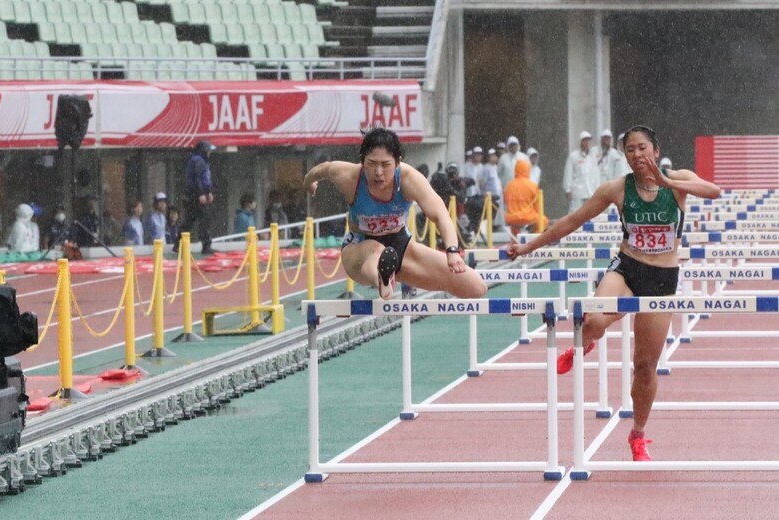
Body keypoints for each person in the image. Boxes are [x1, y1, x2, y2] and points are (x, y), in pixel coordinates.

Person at [506, 125, 721, 462]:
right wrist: (528, 246)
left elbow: (714, 191)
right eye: (630, 150)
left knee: (645, 366)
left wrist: (669, 183)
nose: (637, 155)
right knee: (590, 320)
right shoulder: (617, 189)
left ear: (655, 149)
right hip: (628, 268)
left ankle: (638, 434)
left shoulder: (677, 179)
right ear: (625, 156)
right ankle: (587, 341)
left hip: (662, 278)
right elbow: (573, 220)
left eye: (642, 147)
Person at [303, 127, 487, 300]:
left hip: (401, 246)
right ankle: (382, 280)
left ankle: (387, 273)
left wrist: (452, 251)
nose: (378, 172)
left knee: (475, 287)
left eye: (385, 165)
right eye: (372, 164)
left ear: (398, 162)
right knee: (376, 250)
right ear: (362, 161)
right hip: (359, 248)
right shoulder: (348, 176)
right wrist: (308, 183)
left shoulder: (409, 178)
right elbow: (322, 169)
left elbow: (440, 215)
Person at [177, 140, 216, 254]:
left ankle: (178, 244)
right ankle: (206, 245)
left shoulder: (200, 161)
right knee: (204, 219)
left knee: (190, 219)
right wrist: (201, 193)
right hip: (196, 195)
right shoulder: (198, 161)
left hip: (195, 194)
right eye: (208, 150)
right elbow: (198, 178)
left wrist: (208, 192)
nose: (210, 153)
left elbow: (204, 179)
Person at [503, 159, 548, 235]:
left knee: (515, 226)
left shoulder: (509, 186)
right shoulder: (532, 185)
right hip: (527, 217)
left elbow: (506, 202)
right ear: (527, 170)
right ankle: (535, 238)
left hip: (511, 218)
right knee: (543, 220)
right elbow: (537, 206)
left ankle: (515, 239)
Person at [563, 131, 599, 213]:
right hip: (578, 191)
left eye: (588, 141)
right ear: (581, 142)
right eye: (585, 140)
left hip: (591, 191)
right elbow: (568, 173)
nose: (587, 143)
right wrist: (567, 189)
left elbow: (596, 174)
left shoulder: (593, 157)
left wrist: (598, 188)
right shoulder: (574, 156)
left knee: (590, 214)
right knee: (575, 214)